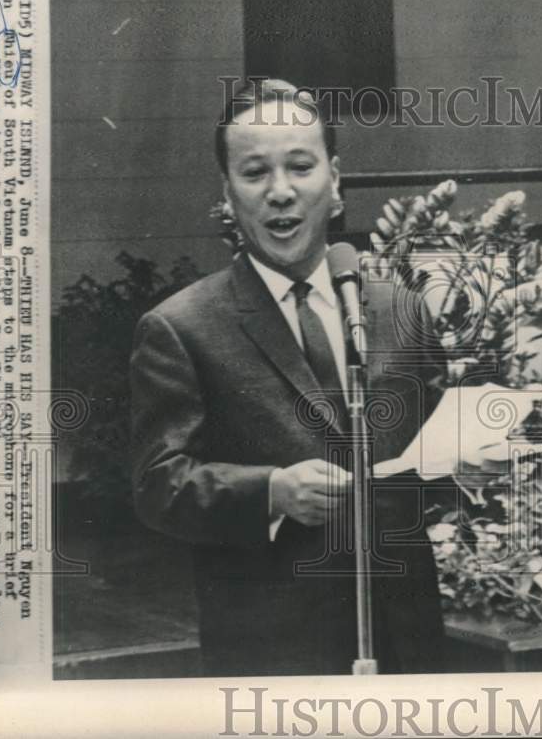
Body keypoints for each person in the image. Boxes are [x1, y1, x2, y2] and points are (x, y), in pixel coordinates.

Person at [130, 79, 447, 676]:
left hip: (407, 636)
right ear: (228, 194)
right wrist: (271, 491)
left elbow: (428, 442)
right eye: (255, 173)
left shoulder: (400, 308)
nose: (281, 192)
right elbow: (158, 486)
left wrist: (464, 467)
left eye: (300, 166)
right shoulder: (180, 327)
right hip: (271, 647)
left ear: (335, 180)